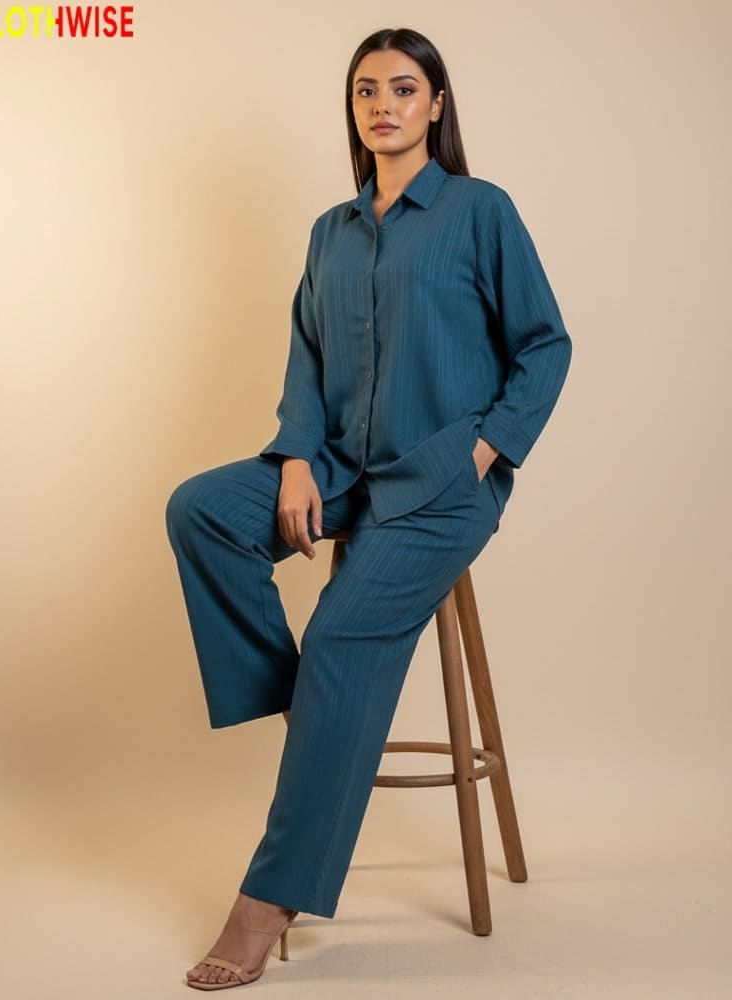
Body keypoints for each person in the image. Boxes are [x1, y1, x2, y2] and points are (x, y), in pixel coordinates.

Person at [166, 25, 572, 991]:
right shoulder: (330, 230)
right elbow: (306, 355)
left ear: (436, 104)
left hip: (438, 487)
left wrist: (482, 450)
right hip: (339, 467)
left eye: (403, 87)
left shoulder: (480, 211)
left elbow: (545, 346)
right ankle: (313, 713)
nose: (382, 104)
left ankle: (268, 898)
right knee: (202, 511)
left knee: (343, 647)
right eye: (364, 91)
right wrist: (297, 457)